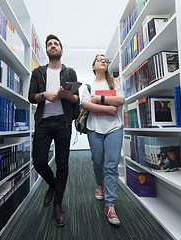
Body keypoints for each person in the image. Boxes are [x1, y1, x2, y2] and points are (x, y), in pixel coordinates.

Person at [28, 34, 80, 227]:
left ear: (61, 50)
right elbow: (31, 97)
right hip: (43, 121)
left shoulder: (70, 72)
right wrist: (44, 95)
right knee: (39, 161)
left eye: (55, 44)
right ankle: (53, 185)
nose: (52, 46)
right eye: (49, 44)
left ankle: (58, 204)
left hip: (62, 122)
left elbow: (76, 101)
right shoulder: (38, 72)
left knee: (62, 163)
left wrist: (68, 95)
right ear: (47, 50)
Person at [81, 54, 125, 225]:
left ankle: (110, 204)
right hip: (94, 129)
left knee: (111, 165)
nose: (103, 61)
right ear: (93, 66)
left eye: (105, 60)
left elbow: (120, 100)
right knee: (97, 161)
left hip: (114, 128)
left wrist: (99, 99)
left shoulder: (115, 83)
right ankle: (100, 184)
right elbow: (85, 104)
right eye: (99, 59)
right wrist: (107, 108)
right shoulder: (88, 86)